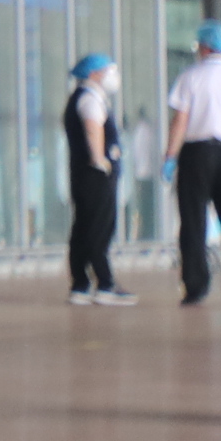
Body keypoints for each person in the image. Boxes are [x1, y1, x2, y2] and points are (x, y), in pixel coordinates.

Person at [165, 18, 221, 307]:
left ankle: (196, 286)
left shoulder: (191, 76)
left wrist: (170, 157)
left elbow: (180, 121)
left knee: (193, 221)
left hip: (196, 153)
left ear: (205, 47)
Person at [62, 53, 134, 303]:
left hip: (83, 174)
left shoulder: (82, 97)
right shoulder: (90, 99)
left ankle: (80, 284)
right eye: (109, 71)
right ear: (94, 74)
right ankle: (105, 284)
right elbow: (93, 128)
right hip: (95, 175)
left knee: (84, 227)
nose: (113, 77)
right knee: (99, 227)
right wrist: (100, 160)